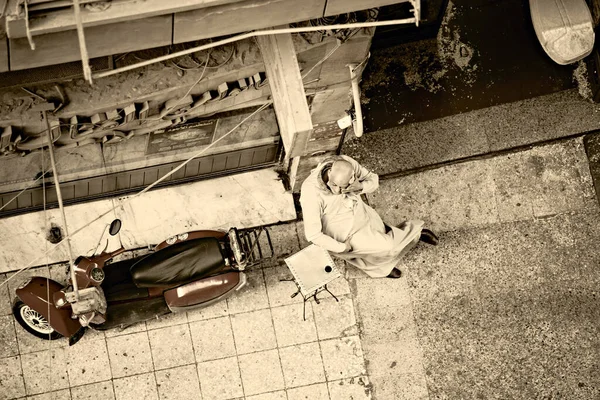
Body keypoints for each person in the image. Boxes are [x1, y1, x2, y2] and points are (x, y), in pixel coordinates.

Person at [299, 155, 438, 278]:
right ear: (329, 174)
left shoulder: (347, 162)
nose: (339, 191)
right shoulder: (310, 192)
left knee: (380, 235)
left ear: (352, 175)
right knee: (387, 246)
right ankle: (414, 234)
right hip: (345, 233)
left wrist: (360, 186)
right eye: (335, 186)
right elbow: (313, 235)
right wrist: (341, 247)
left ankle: (383, 267)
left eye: (344, 186)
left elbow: (373, 180)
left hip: (361, 212)